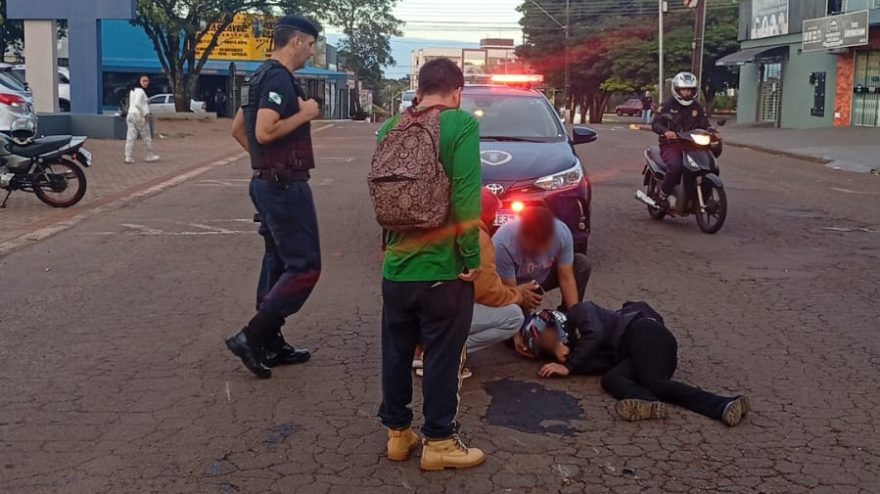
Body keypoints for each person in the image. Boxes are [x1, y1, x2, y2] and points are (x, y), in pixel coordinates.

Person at [375, 58, 485, 471]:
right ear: (457, 92)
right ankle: (439, 440)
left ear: (419, 90)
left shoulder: (390, 128)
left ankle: (398, 435)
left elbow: (385, 197)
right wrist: (471, 257)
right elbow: (465, 197)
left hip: (396, 269)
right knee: (442, 354)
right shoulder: (460, 125)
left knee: (397, 352)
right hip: (442, 271)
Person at [226, 15, 323, 379]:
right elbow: (264, 131)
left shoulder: (258, 76)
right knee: (305, 266)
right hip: (284, 185)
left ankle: (269, 340)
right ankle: (252, 337)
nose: (312, 52)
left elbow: (239, 129)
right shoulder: (279, 77)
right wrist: (307, 113)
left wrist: (262, 164)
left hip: (267, 182)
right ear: (296, 41)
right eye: (311, 44)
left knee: (278, 261)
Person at [519, 301, 752, 427]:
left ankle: (724, 404)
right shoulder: (577, 349)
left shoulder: (580, 312)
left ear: (553, 323)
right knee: (611, 379)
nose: (551, 348)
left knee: (655, 382)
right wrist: (568, 359)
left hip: (646, 333)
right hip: (633, 354)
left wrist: (569, 365)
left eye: (548, 341)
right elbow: (599, 364)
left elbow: (596, 333)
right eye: (546, 350)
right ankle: (646, 401)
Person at [493, 206, 592, 314]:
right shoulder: (503, 244)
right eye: (535, 244)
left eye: (544, 243)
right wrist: (522, 296)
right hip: (516, 285)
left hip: (543, 276)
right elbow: (510, 291)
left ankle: (567, 318)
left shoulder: (561, 233)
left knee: (582, 264)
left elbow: (566, 278)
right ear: (523, 235)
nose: (540, 251)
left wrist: (575, 315)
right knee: (517, 318)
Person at [651, 72, 711, 207]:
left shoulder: (696, 106)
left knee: (706, 165)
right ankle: (663, 195)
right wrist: (666, 131)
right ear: (677, 90)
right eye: (684, 89)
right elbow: (656, 123)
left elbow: (704, 124)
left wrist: (712, 131)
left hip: (692, 144)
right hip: (671, 144)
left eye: (689, 89)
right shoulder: (667, 105)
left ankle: (699, 195)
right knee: (676, 167)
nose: (687, 93)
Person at [124, 75, 160, 164]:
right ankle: (150, 155)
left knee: (130, 137)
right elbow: (137, 104)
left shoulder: (133, 91)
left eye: (147, 81)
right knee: (146, 136)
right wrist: (145, 114)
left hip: (130, 115)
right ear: (139, 81)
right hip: (139, 115)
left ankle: (128, 156)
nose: (146, 83)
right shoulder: (140, 91)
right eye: (143, 81)